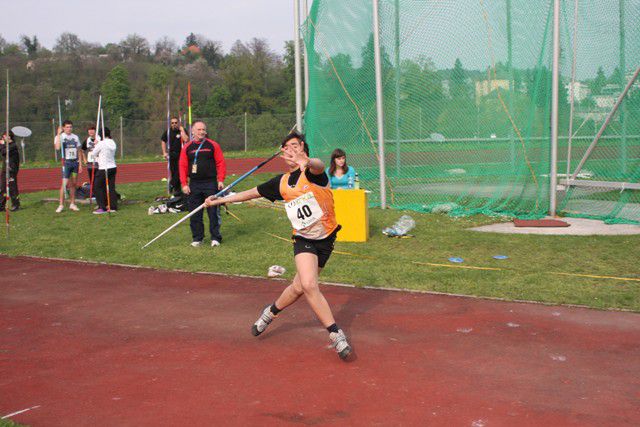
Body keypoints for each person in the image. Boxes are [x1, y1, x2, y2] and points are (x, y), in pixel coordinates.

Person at [204, 131, 352, 360]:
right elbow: (249, 193)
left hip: (327, 238)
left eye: (295, 146)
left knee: (298, 288)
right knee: (310, 284)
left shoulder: (314, 173)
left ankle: (270, 312)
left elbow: (320, 165)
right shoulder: (280, 183)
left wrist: (307, 161)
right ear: (282, 154)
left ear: (303, 148)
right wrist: (220, 199)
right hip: (303, 240)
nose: (290, 150)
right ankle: (335, 334)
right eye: (286, 148)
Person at [179, 120, 226, 247]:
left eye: (203, 130)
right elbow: (182, 166)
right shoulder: (187, 147)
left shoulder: (213, 145)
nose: (202, 132)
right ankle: (197, 238)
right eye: (199, 130)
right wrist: (184, 184)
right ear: (193, 131)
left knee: (213, 212)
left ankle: (215, 238)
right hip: (194, 184)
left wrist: (220, 180)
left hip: (210, 183)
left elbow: (220, 163)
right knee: (195, 212)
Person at [54, 120, 82, 213]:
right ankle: (61, 205)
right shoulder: (60, 137)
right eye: (67, 127)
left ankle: (72, 203)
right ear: (63, 128)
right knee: (64, 185)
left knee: (73, 184)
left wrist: (80, 164)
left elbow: (79, 151)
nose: (69, 129)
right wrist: (58, 134)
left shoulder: (75, 137)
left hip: (75, 163)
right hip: (66, 164)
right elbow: (57, 148)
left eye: (70, 127)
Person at [92, 127, 117, 214]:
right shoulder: (112, 142)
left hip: (104, 167)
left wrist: (96, 145)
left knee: (97, 187)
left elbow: (93, 154)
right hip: (113, 167)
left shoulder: (101, 143)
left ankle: (102, 207)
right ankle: (113, 206)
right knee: (111, 187)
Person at [161, 117, 188, 196]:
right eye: (172, 123)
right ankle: (177, 190)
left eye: (176, 123)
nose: (174, 124)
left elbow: (186, 139)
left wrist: (182, 130)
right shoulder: (168, 132)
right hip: (172, 154)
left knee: (180, 171)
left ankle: (172, 183)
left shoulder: (182, 130)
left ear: (178, 123)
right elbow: (163, 141)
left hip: (181, 154)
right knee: (174, 172)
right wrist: (164, 152)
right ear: (170, 124)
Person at [0, 130, 20, 211]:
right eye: (3, 136)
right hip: (5, 169)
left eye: (5, 136)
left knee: (12, 188)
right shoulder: (5, 145)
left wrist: (2, 144)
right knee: (2, 187)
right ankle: (1, 205)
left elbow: (4, 152)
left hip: (12, 169)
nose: (4, 138)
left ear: (10, 136)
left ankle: (15, 204)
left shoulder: (13, 145)